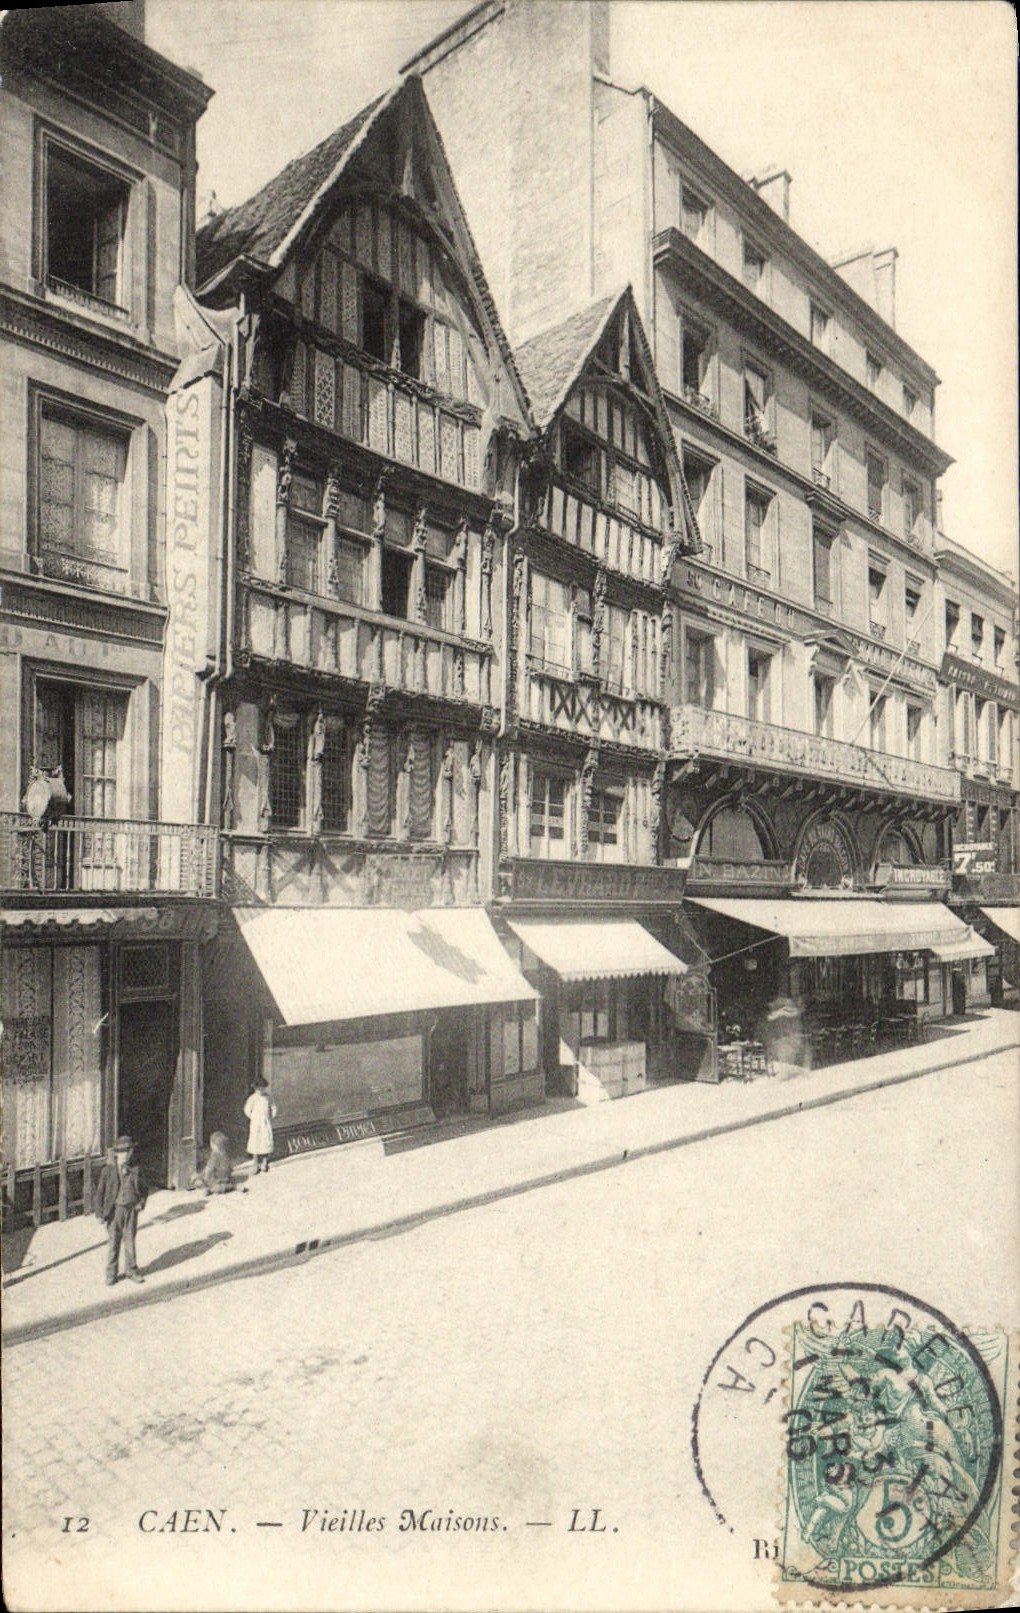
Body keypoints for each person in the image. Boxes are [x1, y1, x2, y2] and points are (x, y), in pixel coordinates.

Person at [95, 1135, 146, 1286]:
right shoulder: (108, 1171)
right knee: (114, 1242)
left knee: (130, 1241)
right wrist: (99, 1214)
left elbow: (144, 1189)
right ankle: (111, 1273)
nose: (126, 1155)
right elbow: (99, 1194)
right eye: (123, 1152)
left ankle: (131, 1270)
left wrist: (140, 1203)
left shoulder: (136, 1170)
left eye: (129, 1151)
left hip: (131, 1210)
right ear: (116, 1153)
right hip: (115, 1211)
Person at [244, 1076, 276, 1177]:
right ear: (255, 1088)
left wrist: (272, 1115)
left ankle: (264, 1161)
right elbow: (247, 1109)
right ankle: (255, 1162)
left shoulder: (268, 1098)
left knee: (265, 1140)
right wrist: (252, 1117)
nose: (261, 1091)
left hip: (265, 1122)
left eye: (263, 1088)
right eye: (259, 1089)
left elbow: (273, 1107)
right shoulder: (253, 1098)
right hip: (256, 1123)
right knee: (255, 1140)